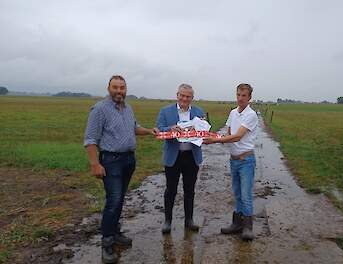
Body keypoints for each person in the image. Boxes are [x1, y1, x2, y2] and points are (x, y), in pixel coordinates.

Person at [84, 75, 157, 263]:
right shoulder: (100, 109)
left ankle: (115, 233)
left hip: (128, 161)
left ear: (126, 89)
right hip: (111, 161)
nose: (119, 91)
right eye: (115, 87)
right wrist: (95, 164)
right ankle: (107, 243)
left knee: (120, 199)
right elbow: (90, 139)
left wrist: (149, 131)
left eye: (122, 88)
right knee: (113, 201)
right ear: (108, 88)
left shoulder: (127, 108)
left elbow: (134, 127)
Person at [203, 83, 258, 241]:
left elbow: (237, 136)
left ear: (249, 98)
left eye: (244, 96)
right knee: (237, 193)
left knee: (246, 195)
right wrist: (211, 135)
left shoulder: (251, 115)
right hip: (234, 160)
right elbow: (228, 133)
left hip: (246, 160)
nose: (240, 98)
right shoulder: (233, 113)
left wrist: (214, 141)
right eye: (238, 95)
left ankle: (247, 227)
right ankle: (237, 224)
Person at [157, 83, 205, 234]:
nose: (185, 99)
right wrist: (169, 129)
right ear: (177, 95)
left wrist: (198, 129)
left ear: (192, 98)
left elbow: (205, 129)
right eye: (182, 95)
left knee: (189, 190)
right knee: (170, 190)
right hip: (173, 156)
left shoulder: (198, 111)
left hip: (191, 156)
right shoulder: (165, 111)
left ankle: (189, 220)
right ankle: (167, 221)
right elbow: (159, 128)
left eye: (188, 96)